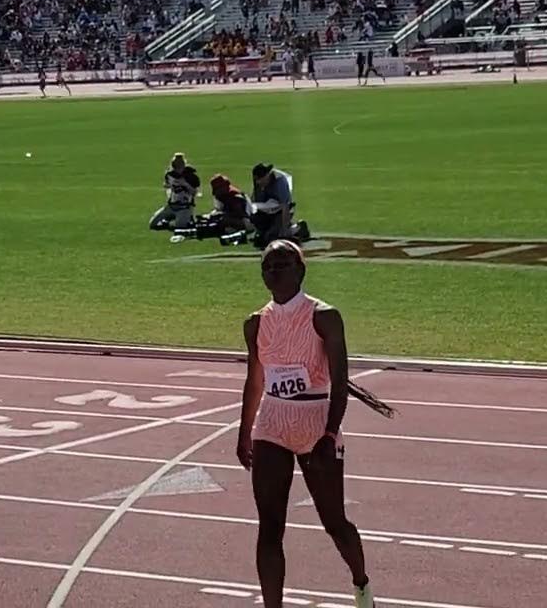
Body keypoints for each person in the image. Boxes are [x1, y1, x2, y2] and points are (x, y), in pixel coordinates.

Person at [238, 240, 394, 608]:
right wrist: (244, 432)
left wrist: (329, 432)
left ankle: (361, 585)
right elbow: (255, 380)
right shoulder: (255, 324)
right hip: (272, 424)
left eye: (283, 263)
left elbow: (340, 380)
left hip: (315, 425)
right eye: (268, 266)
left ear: (301, 270)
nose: (275, 271)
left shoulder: (324, 317)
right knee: (270, 527)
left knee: (334, 522)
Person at [250, 163, 309, 248]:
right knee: (260, 238)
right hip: (267, 210)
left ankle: (298, 228)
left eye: (261, 179)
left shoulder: (280, 182)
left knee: (273, 237)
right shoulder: (259, 182)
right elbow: (255, 200)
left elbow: (286, 206)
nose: (258, 182)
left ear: (267, 175)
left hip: (281, 211)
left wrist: (284, 231)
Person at [148, 152, 200, 231]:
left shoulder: (191, 176)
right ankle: (171, 219)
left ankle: (187, 218)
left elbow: (194, 192)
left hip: (185, 206)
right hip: (171, 206)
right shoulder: (170, 175)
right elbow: (166, 185)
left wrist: (185, 184)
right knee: (153, 224)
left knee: (180, 227)